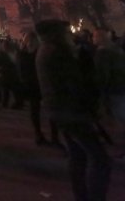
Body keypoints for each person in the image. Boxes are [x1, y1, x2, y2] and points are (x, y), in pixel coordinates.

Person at [36, 20, 111, 201]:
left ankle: (82, 195)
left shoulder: (45, 50)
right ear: (57, 34)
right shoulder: (58, 52)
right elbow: (74, 84)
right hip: (72, 111)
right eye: (66, 32)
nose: (70, 35)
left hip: (60, 111)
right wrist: (90, 107)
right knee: (99, 159)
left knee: (77, 155)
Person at [18, 31, 61, 147]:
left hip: (31, 85)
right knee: (51, 109)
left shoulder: (23, 53)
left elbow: (22, 71)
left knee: (35, 110)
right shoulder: (40, 52)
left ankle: (38, 134)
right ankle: (54, 136)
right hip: (42, 83)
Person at [93, 28, 125, 159]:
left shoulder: (102, 53)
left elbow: (102, 76)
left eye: (94, 37)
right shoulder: (118, 49)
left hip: (114, 91)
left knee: (121, 121)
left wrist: (101, 94)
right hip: (121, 88)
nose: (92, 39)